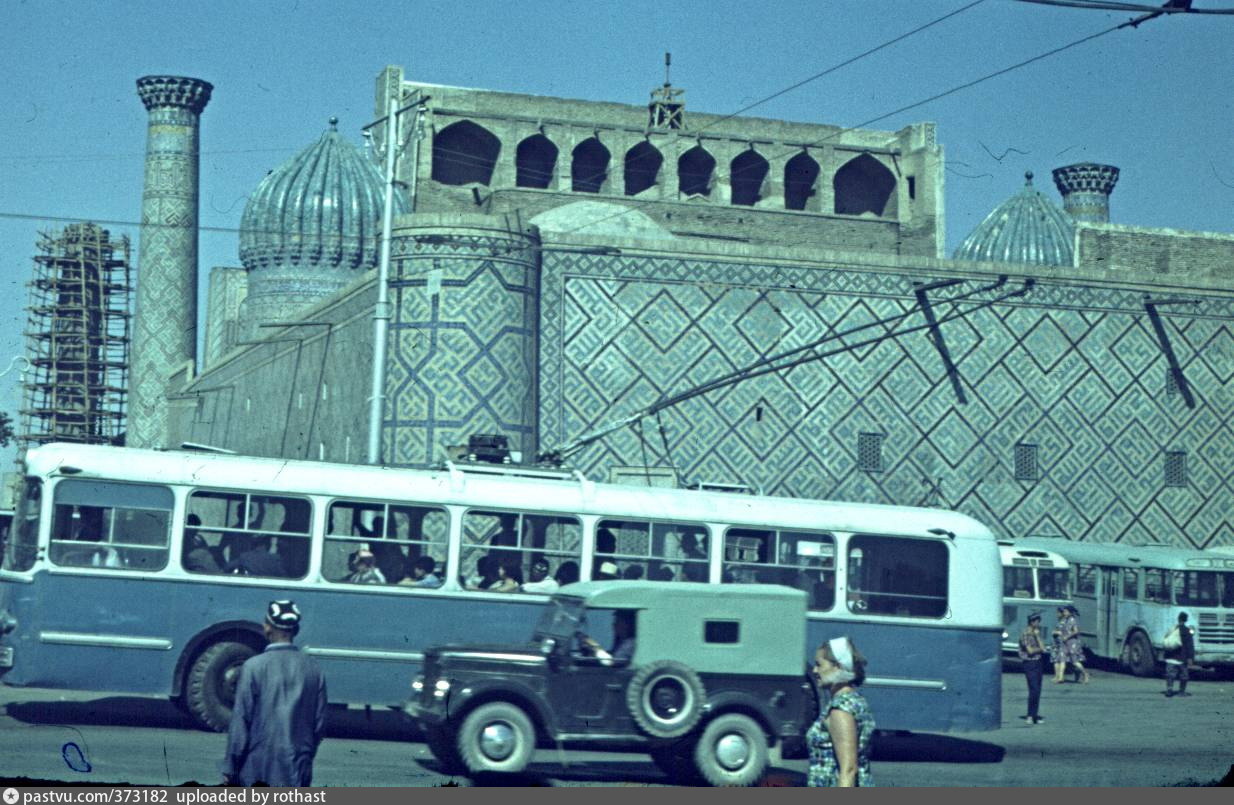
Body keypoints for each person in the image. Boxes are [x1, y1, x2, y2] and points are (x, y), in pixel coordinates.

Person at [221, 601, 327, 787]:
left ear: (267, 628)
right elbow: (319, 725)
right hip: (298, 764)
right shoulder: (314, 669)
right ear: (296, 630)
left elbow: (241, 721)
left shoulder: (253, 667)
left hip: (258, 765)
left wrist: (231, 766)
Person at [807, 637, 875, 787]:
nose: (814, 670)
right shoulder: (855, 700)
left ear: (837, 667)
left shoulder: (841, 709)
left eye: (819, 665)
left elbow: (848, 770)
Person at [1018, 611, 1047, 725]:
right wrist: (1040, 649)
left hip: (1038, 662)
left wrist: (1037, 636)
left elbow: (1043, 647)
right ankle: (1029, 715)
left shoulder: (1036, 633)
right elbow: (1030, 651)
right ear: (1032, 622)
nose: (1038, 624)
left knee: (1038, 690)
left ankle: (1034, 715)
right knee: (1033, 689)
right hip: (1029, 663)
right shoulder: (1025, 633)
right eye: (1037, 622)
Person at [1053, 605, 1089, 684]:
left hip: (1072, 643)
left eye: (1066, 612)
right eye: (1064, 612)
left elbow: (1076, 631)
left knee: (1074, 661)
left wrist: (1067, 636)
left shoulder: (1073, 620)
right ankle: (1060, 677)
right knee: (1062, 659)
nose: (1064, 613)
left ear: (1070, 612)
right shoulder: (1064, 620)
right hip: (1064, 642)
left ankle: (1085, 674)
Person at [1163, 611, 1196, 697]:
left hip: (1170, 657)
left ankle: (1169, 690)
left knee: (1170, 675)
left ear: (1178, 619)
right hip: (1182, 658)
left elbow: (1166, 639)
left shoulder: (1172, 629)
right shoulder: (1187, 631)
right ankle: (1182, 691)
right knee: (1184, 676)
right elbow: (1190, 646)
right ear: (1186, 620)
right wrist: (1190, 658)